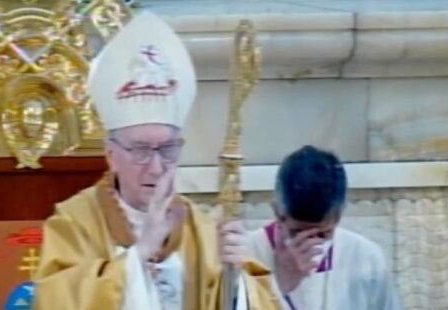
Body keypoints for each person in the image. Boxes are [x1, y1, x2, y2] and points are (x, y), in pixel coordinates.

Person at [32, 11, 278, 310]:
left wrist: (236, 281)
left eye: (168, 149)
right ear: (111, 155)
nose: (157, 167)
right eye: (141, 151)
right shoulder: (74, 224)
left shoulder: (202, 230)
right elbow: (55, 300)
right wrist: (139, 254)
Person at [247, 145, 400, 309]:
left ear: (339, 215)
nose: (311, 245)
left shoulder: (367, 260)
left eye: (322, 235)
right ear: (277, 211)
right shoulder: (245, 257)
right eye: (297, 233)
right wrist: (281, 283)